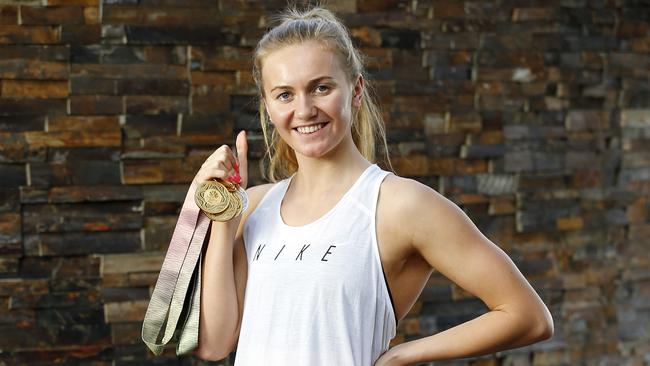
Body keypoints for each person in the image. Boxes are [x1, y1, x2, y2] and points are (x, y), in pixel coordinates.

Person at [192, 6, 553, 366]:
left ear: (356, 90)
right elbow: (215, 344)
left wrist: (402, 355)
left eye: (321, 88)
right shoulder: (254, 205)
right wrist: (224, 219)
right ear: (268, 106)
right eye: (285, 94)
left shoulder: (399, 205)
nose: (304, 110)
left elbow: (528, 315)